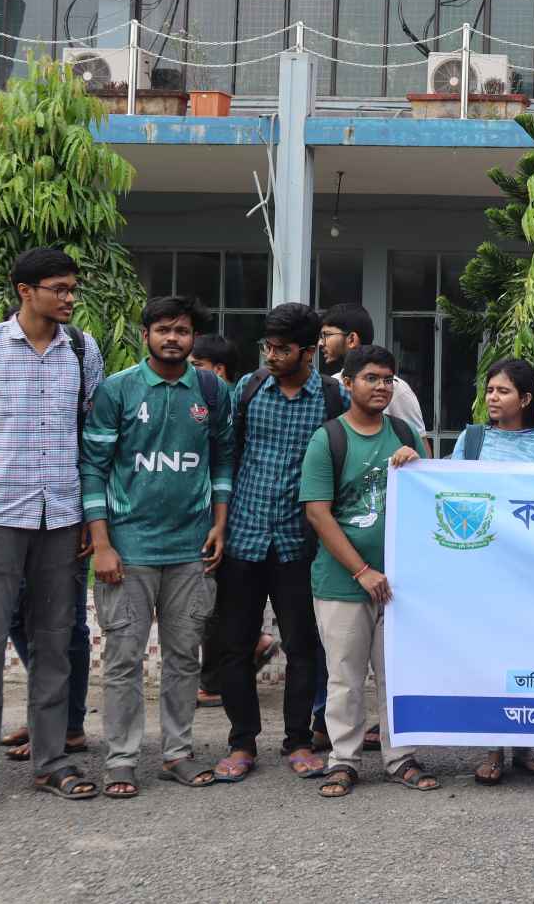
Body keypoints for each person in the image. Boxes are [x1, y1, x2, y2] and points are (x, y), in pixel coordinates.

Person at [0, 247, 104, 813]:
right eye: (59, 288)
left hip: (62, 518)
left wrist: (90, 516)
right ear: (25, 291)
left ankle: (52, 762)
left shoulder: (82, 349)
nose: (69, 297)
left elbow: (91, 437)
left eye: (72, 288)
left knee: (56, 642)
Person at [79, 295, 232, 797]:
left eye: (182, 331)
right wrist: (102, 543)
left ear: (193, 339)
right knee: (123, 660)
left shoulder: (210, 390)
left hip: (192, 549)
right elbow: (93, 468)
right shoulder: (117, 390)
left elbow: (223, 461)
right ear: (145, 335)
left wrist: (219, 524)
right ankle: (121, 759)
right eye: (163, 330)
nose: (172, 338)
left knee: (184, 657)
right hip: (129, 550)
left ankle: (177, 753)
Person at [213, 302, 347, 783]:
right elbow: (227, 455)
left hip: (300, 542)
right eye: (266, 346)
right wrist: (219, 521)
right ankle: (241, 742)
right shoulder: (248, 390)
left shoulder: (331, 398)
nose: (271, 356)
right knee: (234, 646)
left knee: (303, 646)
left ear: (308, 352)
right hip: (243, 537)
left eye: (282, 349)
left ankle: (298, 740)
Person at [301, 344, 439, 798]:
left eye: (387, 380)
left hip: (400, 584)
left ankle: (401, 758)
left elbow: (431, 494)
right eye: (371, 378)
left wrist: (416, 462)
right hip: (343, 583)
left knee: (397, 674)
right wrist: (361, 570)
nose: (381, 387)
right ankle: (344, 760)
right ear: (348, 383)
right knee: (345, 677)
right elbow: (318, 513)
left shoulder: (403, 433)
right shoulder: (328, 439)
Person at [452, 357, 534, 785]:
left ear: (526, 399)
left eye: (503, 391)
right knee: (489, 657)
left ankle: (525, 746)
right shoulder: (472, 439)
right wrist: (412, 461)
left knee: (527, 656)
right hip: (484, 566)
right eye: (490, 390)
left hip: (529, 571)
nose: (493, 398)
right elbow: (447, 487)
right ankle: (493, 748)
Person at [188, 335, 275, 710]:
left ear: (218, 370)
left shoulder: (224, 401)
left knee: (216, 600)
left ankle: (214, 680)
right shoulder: (232, 400)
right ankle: (249, 647)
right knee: (220, 598)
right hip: (222, 514)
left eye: (197, 365)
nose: (190, 373)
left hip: (226, 516)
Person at [319, 303, 433, 457]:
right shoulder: (330, 385)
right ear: (347, 383)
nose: (321, 343)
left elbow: (421, 451)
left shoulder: (397, 389)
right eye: (371, 379)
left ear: (351, 339)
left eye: (326, 335)